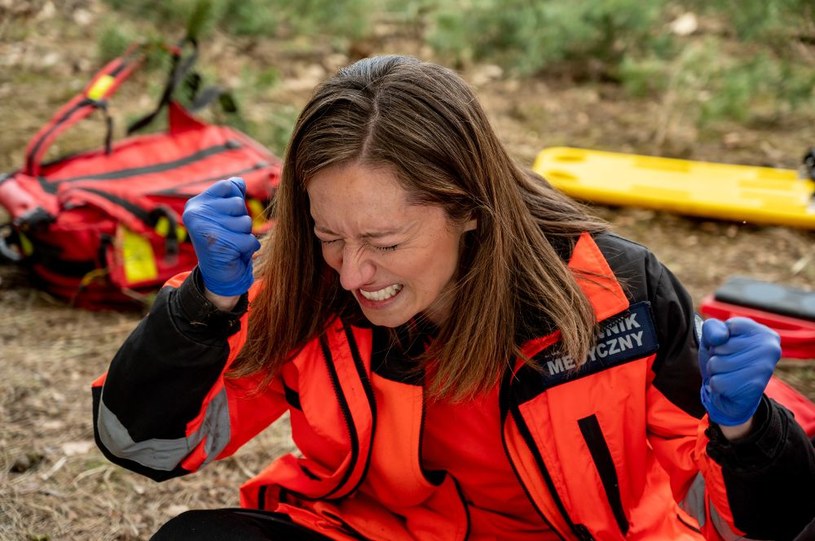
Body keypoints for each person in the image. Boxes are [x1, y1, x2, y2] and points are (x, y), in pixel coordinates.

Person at [91, 55, 815, 541]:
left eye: (385, 240)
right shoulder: (301, 277)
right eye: (326, 233)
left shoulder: (617, 294)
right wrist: (200, 310)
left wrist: (749, 435)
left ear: (470, 207)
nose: (351, 272)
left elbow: (763, 524)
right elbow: (145, 445)